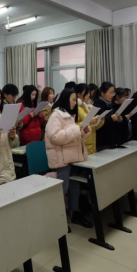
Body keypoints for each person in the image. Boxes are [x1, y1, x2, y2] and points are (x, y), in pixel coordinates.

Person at [45, 88, 92, 228]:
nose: (75, 102)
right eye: (73, 99)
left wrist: (83, 132)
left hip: (72, 157)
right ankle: (58, 220)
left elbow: (72, 137)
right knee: (63, 189)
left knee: (74, 187)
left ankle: (74, 213)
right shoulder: (56, 115)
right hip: (62, 159)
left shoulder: (69, 115)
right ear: (66, 99)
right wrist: (77, 130)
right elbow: (55, 137)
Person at [93, 82, 123, 151]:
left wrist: (119, 118)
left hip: (111, 140)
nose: (112, 95)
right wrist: (111, 118)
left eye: (113, 93)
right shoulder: (97, 105)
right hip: (102, 141)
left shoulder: (110, 104)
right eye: (110, 93)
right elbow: (98, 122)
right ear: (102, 93)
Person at [75, 84, 104, 155]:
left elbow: (94, 127)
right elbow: (74, 126)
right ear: (78, 94)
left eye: (89, 93)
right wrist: (89, 122)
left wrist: (100, 120)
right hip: (83, 144)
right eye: (87, 93)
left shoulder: (87, 107)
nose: (89, 95)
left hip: (92, 143)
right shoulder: (76, 109)